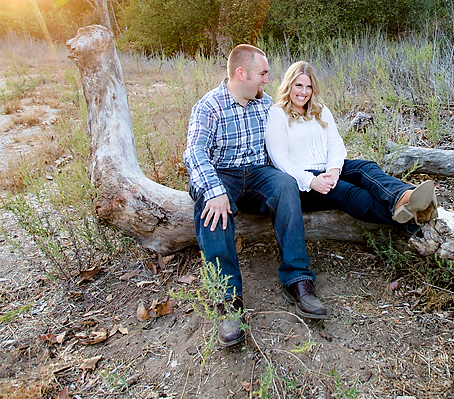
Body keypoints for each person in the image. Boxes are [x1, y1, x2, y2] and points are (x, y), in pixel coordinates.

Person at [183, 45, 328, 348]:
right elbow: (195, 153)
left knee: (285, 185)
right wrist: (214, 191)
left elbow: (292, 136)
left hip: (259, 173)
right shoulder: (209, 106)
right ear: (241, 74)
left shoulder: (264, 106)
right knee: (213, 209)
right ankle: (228, 300)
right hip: (223, 174)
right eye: (262, 74)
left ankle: (297, 280)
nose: (266, 80)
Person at [265, 61, 438, 229]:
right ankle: (415, 218)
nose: (304, 92)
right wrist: (311, 181)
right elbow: (279, 159)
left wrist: (333, 170)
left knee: (366, 167)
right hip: (303, 183)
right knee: (351, 192)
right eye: (298, 85)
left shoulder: (320, 110)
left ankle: (402, 196)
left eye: (309, 87)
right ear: (289, 85)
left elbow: (335, 143)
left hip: (327, 169)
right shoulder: (278, 113)